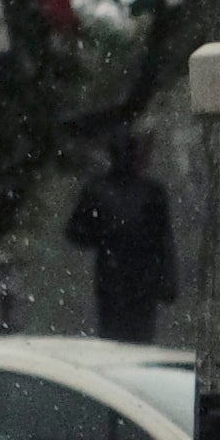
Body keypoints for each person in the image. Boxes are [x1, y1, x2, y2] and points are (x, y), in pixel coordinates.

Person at [64, 132, 178, 344]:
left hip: (138, 280)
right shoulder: (99, 190)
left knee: (135, 338)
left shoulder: (150, 192)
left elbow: (164, 238)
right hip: (115, 279)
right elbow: (75, 231)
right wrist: (104, 234)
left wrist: (167, 280)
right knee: (117, 337)